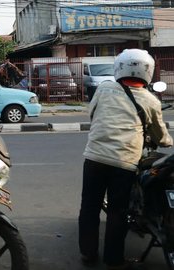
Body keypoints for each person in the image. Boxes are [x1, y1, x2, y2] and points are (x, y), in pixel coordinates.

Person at [79, 49, 173, 270]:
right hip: (124, 163)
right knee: (117, 212)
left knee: (89, 207)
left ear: (119, 67)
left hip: (94, 157)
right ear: (147, 72)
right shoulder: (151, 100)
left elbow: (92, 114)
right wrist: (166, 142)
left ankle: (88, 253)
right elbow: (160, 135)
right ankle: (114, 260)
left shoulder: (103, 89)